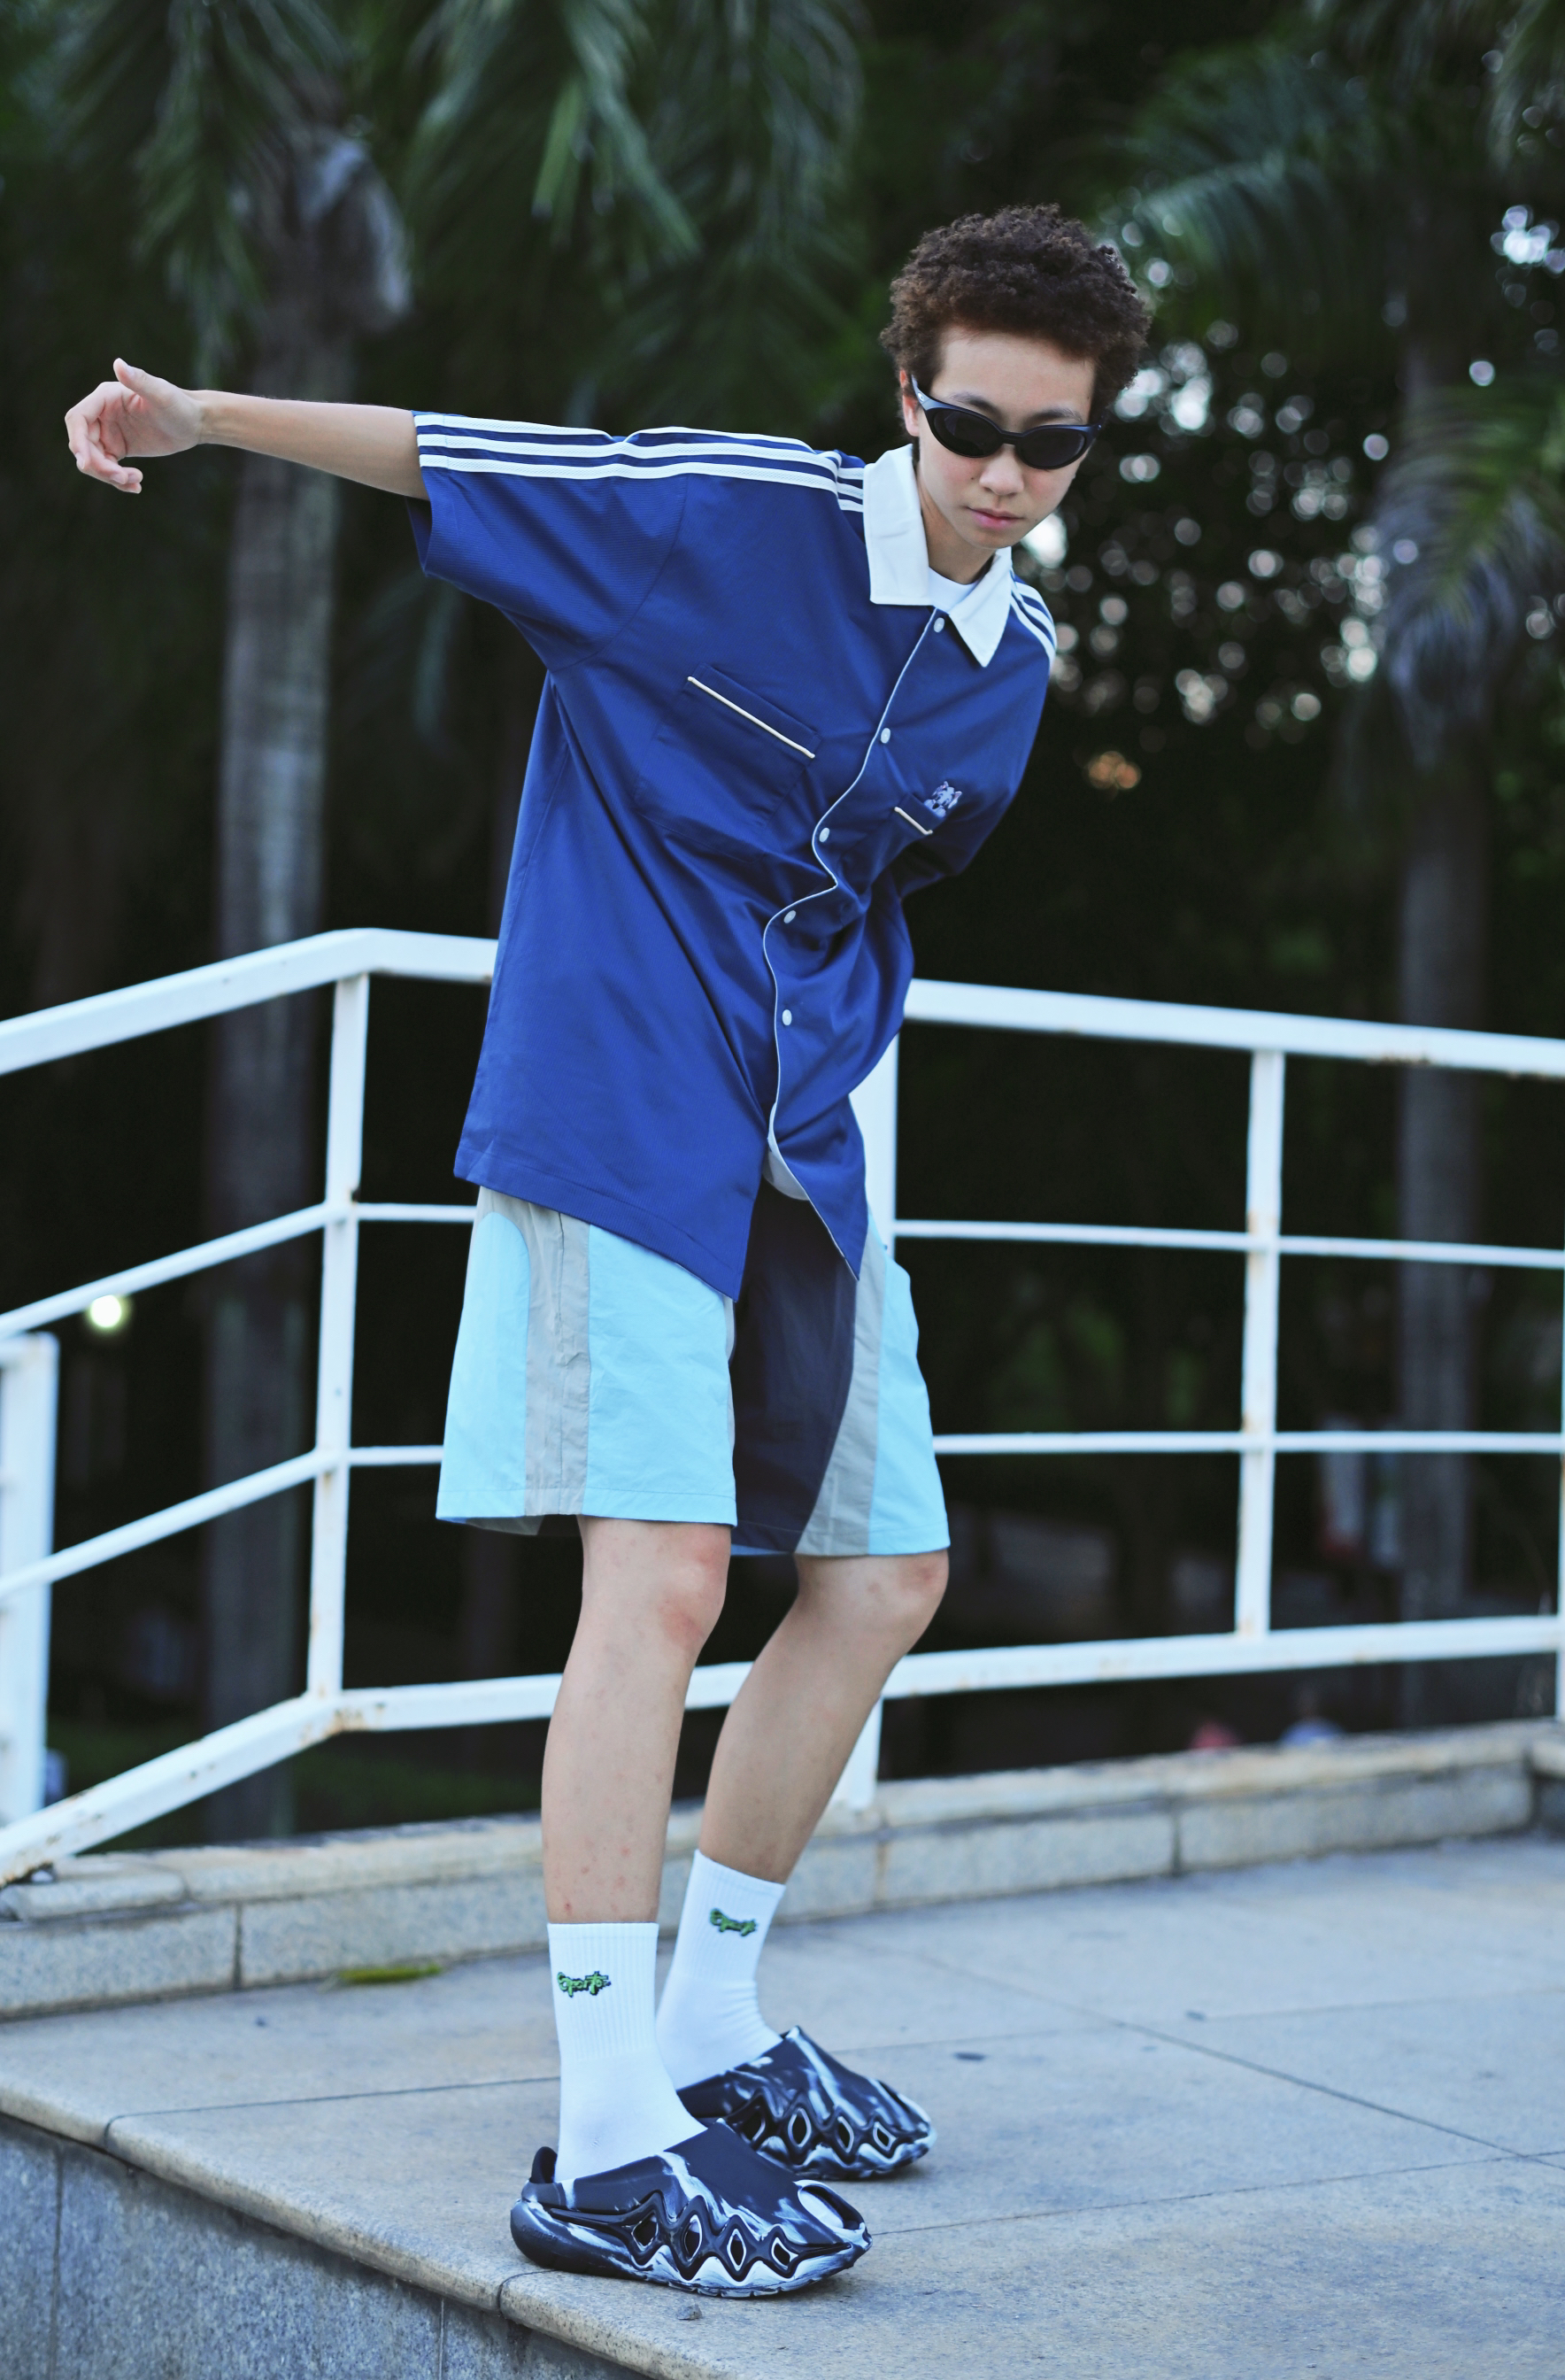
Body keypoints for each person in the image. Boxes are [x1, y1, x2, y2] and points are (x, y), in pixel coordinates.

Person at [66, 202, 1149, 2299]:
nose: (1004, 472)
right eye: (969, 425)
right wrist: (201, 415)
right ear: (906, 394)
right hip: (618, 1106)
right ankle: (605, 2134)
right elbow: (454, 455)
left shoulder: (1012, 674)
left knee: (885, 1574)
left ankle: (712, 2022)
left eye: (1053, 441)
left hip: (805, 1149)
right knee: (658, 1576)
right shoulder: (722, 520)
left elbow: (866, 902)